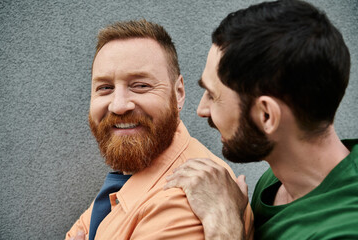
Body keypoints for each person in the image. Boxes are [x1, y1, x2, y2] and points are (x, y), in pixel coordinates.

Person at [165, 0, 358, 239]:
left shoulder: (345, 229)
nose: (201, 110)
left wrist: (225, 224)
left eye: (213, 96)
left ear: (266, 116)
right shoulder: (275, 180)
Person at [66, 19, 254, 240]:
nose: (118, 105)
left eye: (141, 86)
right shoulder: (133, 175)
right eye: (105, 88)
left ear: (179, 93)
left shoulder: (180, 202)